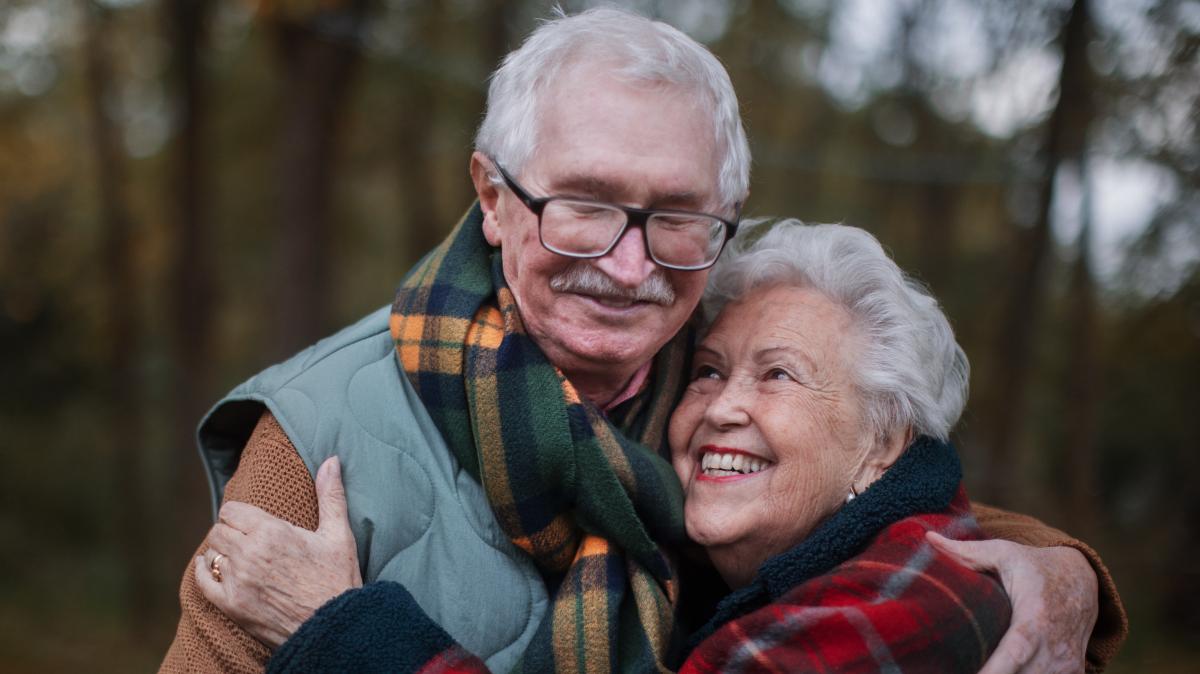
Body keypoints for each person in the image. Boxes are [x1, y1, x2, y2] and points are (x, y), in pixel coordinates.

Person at [160, 8, 1126, 673]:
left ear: (729, 217)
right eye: (583, 206)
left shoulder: (710, 366)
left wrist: (1061, 571)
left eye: (676, 217)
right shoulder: (317, 432)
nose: (630, 270)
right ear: (493, 198)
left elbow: (886, 496)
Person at [204, 222, 1085, 673]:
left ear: (884, 441)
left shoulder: (894, 608)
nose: (721, 409)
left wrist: (347, 633)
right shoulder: (808, 541)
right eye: (705, 371)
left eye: (778, 376)